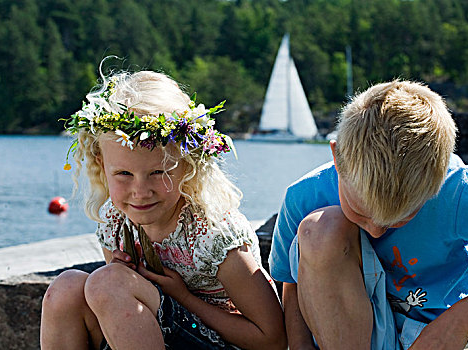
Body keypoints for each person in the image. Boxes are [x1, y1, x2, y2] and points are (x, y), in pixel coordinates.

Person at [41, 63, 286, 350]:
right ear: (101, 164)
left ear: (188, 164)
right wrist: (126, 279)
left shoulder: (213, 235)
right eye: (124, 174)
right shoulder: (116, 220)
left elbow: (273, 339)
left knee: (109, 283)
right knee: (67, 287)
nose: (140, 191)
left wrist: (183, 297)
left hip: (219, 343)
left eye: (159, 172)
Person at [269, 80, 468, 350]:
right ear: (338, 157)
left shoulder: (457, 189)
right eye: (361, 213)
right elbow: (290, 285)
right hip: (349, 334)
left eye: (401, 219)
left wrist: (458, 322)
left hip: (438, 335)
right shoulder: (303, 196)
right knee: (320, 229)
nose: (376, 231)